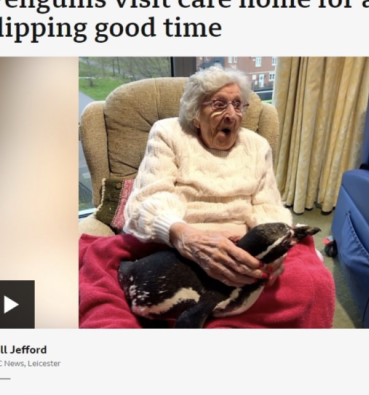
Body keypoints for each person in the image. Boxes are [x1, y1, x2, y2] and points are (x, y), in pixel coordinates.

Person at [122, 66, 333, 325]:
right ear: (195, 113)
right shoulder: (168, 134)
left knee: (315, 284)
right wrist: (188, 238)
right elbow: (148, 200)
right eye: (219, 104)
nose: (232, 115)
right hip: (182, 247)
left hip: (248, 249)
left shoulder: (257, 146)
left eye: (237, 105)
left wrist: (273, 252)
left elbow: (268, 205)